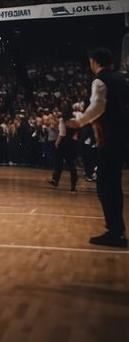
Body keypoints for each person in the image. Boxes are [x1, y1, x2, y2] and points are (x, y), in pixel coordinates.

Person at [65, 47, 126, 248]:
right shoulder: (124, 78)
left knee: (106, 185)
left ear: (94, 61)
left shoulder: (100, 80)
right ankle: (116, 229)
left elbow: (97, 107)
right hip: (124, 137)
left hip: (110, 138)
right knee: (113, 183)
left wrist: (79, 121)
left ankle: (115, 232)